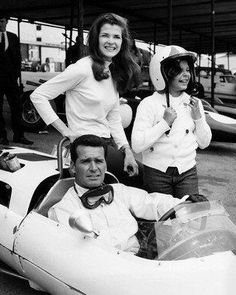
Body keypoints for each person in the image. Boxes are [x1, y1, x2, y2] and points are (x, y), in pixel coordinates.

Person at [30, 13, 142, 186]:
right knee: (143, 178)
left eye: (116, 37)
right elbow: (38, 96)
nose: (111, 41)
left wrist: (126, 150)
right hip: (86, 145)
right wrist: (66, 131)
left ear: (123, 42)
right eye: (105, 35)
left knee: (138, 174)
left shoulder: (112, 71)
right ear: (96, 39)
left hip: (106, 143)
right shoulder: (82, 68)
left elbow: (114, 118)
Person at [48, 134, 205, 254]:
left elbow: (153, 202)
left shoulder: (119, 191)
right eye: (85, 161)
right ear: (73, 167)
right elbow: (77, 255)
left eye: (99, 161)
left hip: (140, 259)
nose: (94, 168)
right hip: (103, 268)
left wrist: (185, 203)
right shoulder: (64, 209)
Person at [131, 45, 212, 198]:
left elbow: (204, 143)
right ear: (163, 74)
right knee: (161, 218)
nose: (186, 75)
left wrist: (198, 119)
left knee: (188, 217)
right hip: (156, 174)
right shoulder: (149, 104)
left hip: (187, 172)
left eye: (188, 70)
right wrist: (164, 124)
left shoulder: (195, 103)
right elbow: (137, 145)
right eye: (179, 71)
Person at [0, 10, 33, 146]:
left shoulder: (13, 37)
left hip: (11, 79)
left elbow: (18, 59)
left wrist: (17, 78)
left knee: (17, 107)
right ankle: (2, 136)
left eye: (2, 21)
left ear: (6, 22)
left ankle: (19, 136)